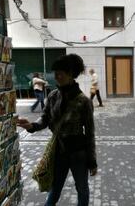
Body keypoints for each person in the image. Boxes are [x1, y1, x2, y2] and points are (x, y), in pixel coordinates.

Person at [17, 54, 97, 206]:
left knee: (82, 189)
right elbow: (45, 118)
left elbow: (90, 134)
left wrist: (92, 161)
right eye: (55, 73)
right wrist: (32, 126)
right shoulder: (53, 96)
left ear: (71, 74)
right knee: (55, 189)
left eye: (60, 73)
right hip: (58, 152)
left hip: (78, 153)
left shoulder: (84, 102)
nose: (57, 76)